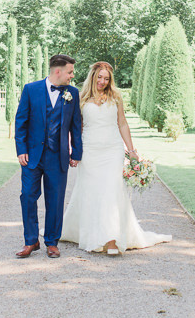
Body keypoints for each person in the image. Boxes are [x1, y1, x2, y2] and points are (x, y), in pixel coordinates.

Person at [61, 61, 171, 255]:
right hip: (90, 151)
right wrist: (75, 151)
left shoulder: (116, 97)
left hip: (112, 150)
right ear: (93, 76)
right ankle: (92, 236)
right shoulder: (81, 98)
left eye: (107, 78)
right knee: (92, 193)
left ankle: (112, 241)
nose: (103, 81)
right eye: (100, 77)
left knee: (112, 192)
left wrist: (132, 150)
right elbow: (78, 128)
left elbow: (122, 124)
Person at [14, 54, 83, 259]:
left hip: (58, 155)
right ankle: (31, 241)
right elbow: (21, 122)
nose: (72, 76)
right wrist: (21, 149)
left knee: (55, 200)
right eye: (70, 72)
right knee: (27, 196)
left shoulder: (73, 93)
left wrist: (76, 152)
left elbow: (76, 126)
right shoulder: (31, 89)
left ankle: (51, 242)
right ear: (58, 71)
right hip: (32, 156)